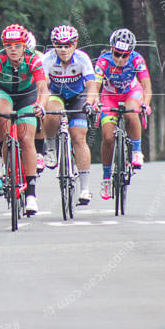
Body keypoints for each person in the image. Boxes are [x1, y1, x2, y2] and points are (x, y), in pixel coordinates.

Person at [0, 24, 48, 216]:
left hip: (27, 95)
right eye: (8, 45)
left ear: (24, 45)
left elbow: (43, 90)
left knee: (27, 140)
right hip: (3, 93)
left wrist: (40, 106)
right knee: (1, 113)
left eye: (17, 45)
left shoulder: (33, 60)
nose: (13, 49)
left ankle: (31, 195)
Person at [41, 25, 99, 205]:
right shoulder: (47, 59)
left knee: (78, 138)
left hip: (78, 97)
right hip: (56, 94)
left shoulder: (82, 59)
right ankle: (50, 146)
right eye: (59, 45)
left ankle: (85, 189)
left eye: (68, 45)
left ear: (75, 44)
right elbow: (42, 87)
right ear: (54, 45)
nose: (64, 49)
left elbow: (91, 86)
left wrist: (89, 103)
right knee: (52, 112)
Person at [94, 28, 152, 201]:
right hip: (109, 96)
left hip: (131, 92)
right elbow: (96, 85)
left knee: (130, 113)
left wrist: (146, 104)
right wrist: (95, 101)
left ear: (130, 53)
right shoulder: (103, 61)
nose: (120, 59)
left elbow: (147, 86)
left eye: (124, 55)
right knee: (108, 137)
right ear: (111, 49)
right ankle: (106, 178)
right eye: (116, 54)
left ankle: (136, 150)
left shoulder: (137, 59)